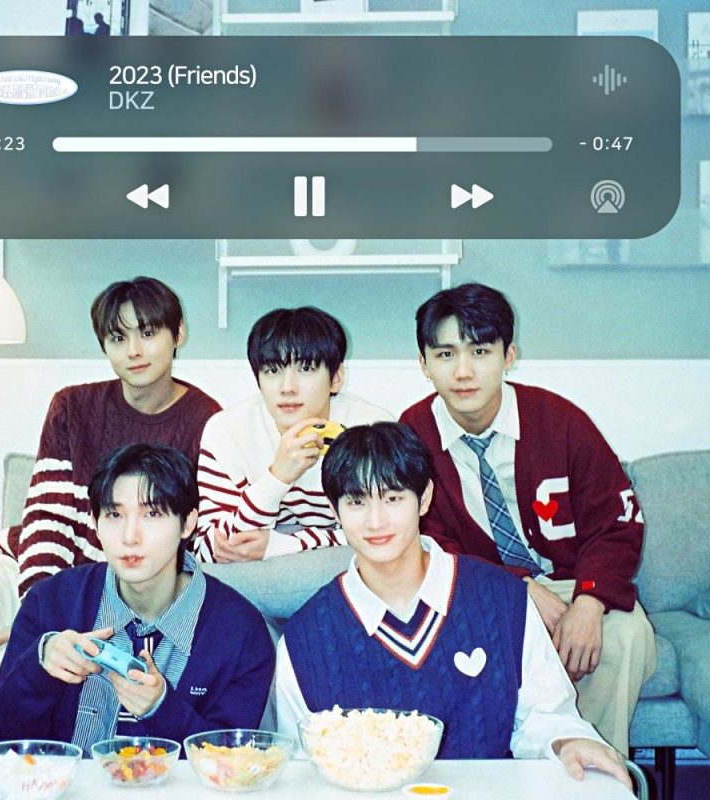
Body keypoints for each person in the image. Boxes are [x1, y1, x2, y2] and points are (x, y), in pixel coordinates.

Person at [0, 276, 220, 754]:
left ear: (177, 334)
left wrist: (38, 636)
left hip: (103, 588)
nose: (134, 350)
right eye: (118, 337)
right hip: (27, 567)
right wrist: (34, 619)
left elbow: (185, 539)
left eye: (148, 333)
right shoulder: (73, 406)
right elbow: (47, 519)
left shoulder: (207, 420)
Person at [276, 422, 632, 788]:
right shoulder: (305, 639)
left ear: (424, 498)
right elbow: (302, 767)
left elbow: (546, 716)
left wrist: (568, 742)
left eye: (393, 498)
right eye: (356, 502)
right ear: (334, 510)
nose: (376, 521)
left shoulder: (503, 600)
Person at [398, 283, 655, 753]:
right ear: (423, 364)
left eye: (480, 351)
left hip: (570, 584)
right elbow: (423, 542)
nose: (463, 371)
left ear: (509, 355)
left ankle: (594, 771)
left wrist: (590, 602)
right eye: (446, 354)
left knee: (626, 633)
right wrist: (515, 588)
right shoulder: (412, 434)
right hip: (475, 591)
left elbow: (616, 521)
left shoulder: (559, 420)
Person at [0, 444, 273, 746]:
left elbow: (233, 762)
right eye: (114, 514)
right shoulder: (50, 602)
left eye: (152, 513)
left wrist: (162, 709)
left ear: (188, 523)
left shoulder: (242, 632)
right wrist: (39, 669)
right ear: (95, 523)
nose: (130, 537)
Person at [193, 306, 392, 563]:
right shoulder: (227, 432)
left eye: (306, 368)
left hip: (346, 567)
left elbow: (391, 532)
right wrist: (278, 477)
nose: (287, 388)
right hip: (251, 576)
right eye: (273, 370)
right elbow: (210, 551)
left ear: (336, 378)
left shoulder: (371, 429)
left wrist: (286, 545)